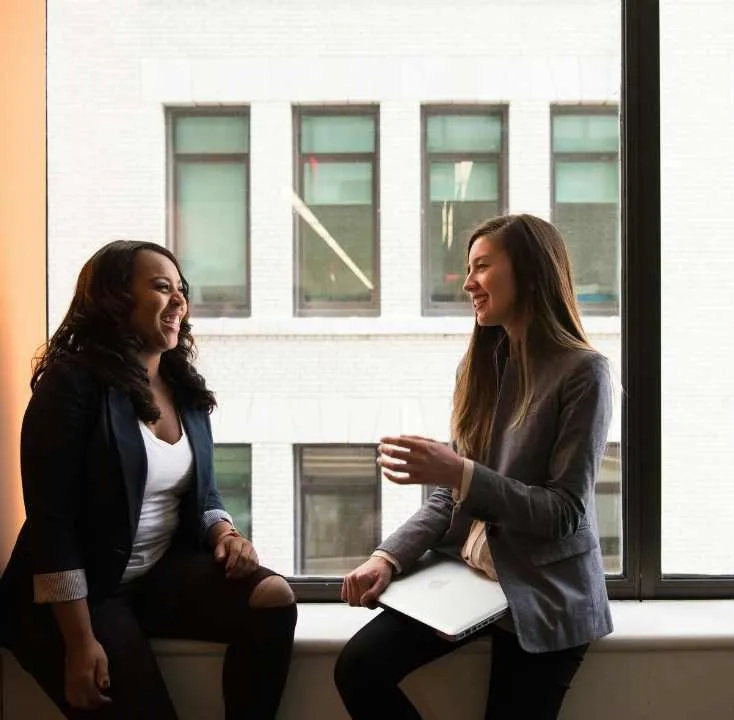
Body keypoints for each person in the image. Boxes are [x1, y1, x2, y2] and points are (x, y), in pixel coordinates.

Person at [0, 241, 296, 720]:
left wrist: (225, 531)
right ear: (115, 299)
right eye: (162, 288)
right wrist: (79, 643)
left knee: (273, 598)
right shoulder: (71, 384)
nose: (180, 301)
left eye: (182, 289)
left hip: (154, 575)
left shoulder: (184, 387)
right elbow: (51, 526)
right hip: (82, 595)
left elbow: (203, 492)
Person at [334, 214, 613, 720]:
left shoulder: (583, 372)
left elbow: (564, 512)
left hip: (544, 592)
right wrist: (387, 558)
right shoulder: (480, 366)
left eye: (482, 267)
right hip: (471, 577)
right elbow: (450, 497)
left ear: (529, 272)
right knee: (357, 667)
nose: (467, 283)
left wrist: (459, 473)